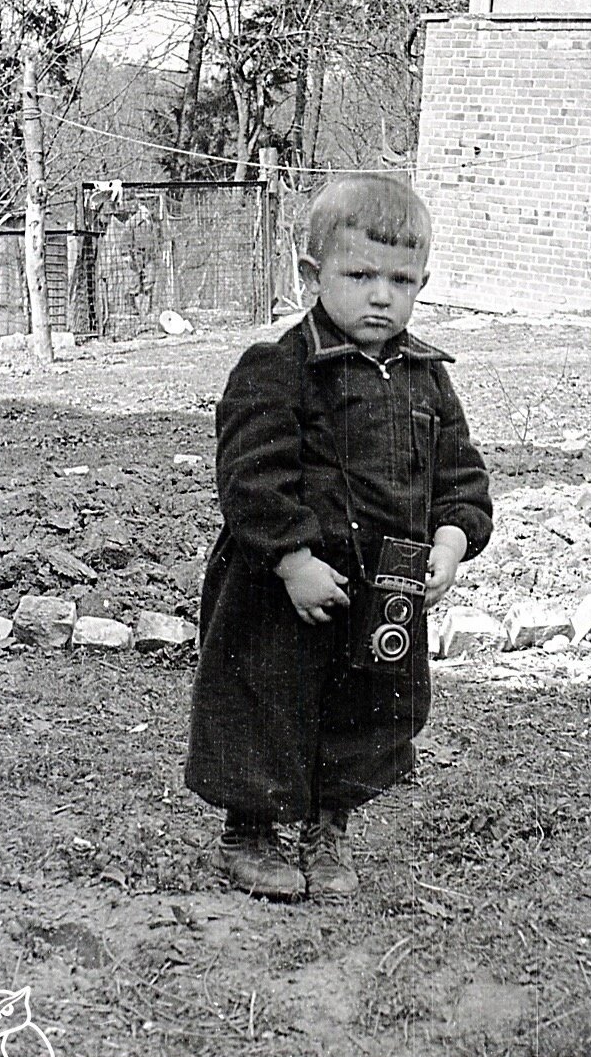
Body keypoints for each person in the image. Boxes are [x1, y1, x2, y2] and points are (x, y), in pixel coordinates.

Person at [185, 174, 493, 900]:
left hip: (381, 589)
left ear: (422, 283)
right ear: (312, 275)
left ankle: (329, 830)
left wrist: (450, 542)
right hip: (281, 590)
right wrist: (292, 559)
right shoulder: (279, 369)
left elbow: (461, 476)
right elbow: (252, 476)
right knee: (267, 701)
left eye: (401, 281)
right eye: (359, 276)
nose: (381, 296)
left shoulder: (427, 381)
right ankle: (249, 831)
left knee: (364, 711)